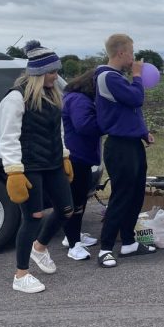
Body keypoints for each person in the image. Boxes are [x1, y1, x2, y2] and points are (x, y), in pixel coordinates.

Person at [0, 40, 74, 293]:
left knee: (66, 210)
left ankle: (39, 249)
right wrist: (14, 172)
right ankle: (21, 276)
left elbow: (58, 130)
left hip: (52, 163)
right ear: (39, 73)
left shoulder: (52, 94)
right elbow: (8, 137)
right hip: (28, 167)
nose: (56, 76)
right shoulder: (15, 97)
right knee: (32, 219)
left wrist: (64, 156)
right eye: (53, 72)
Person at [94, 34, 157, 268]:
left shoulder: (117, 77)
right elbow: (136, 98)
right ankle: (106, 248)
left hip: (132, 143)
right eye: (131, 52)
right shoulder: (107, 77)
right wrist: (138, 76)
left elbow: (129, 110)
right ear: (121, 53)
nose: (134, 58)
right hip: (119, 146)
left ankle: (129, 242)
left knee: (136, 195)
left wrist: (143, 132)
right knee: (121, 197)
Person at [59, 69, 102, 261]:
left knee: (80, 200)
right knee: (75, 201)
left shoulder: (76, 98)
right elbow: (84, 125)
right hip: (76, 157)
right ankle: (73, 243)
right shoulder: (80, 100)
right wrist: (106, 123)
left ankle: (74, 236)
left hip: (81, 157)